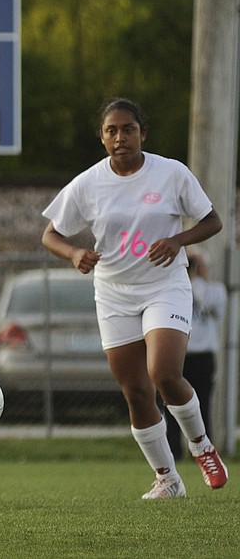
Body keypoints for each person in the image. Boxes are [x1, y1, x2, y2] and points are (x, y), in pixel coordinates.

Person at [41, 97, 228, 499]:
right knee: (136, 391)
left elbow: (213, 220)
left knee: (163, 373)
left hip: (165, 285)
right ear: (102, 137)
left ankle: (202, 447)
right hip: (113, 292)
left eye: (128, 129)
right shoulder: (88, 183)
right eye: (112, 130)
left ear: (143, 134)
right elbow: (51, 234)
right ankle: (167, 478)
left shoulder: (171, 173)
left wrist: (177, 240)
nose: (120, 137)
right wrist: (74, 253)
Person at [164, 250, 227, 459]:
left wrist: (195, 277)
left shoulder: (215, 291)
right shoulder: (175, 289)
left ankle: (203, 452)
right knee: (172, 404)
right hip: (180, 355)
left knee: (203, 404)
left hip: (203, 355)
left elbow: (212, 306)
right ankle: (174, 451)